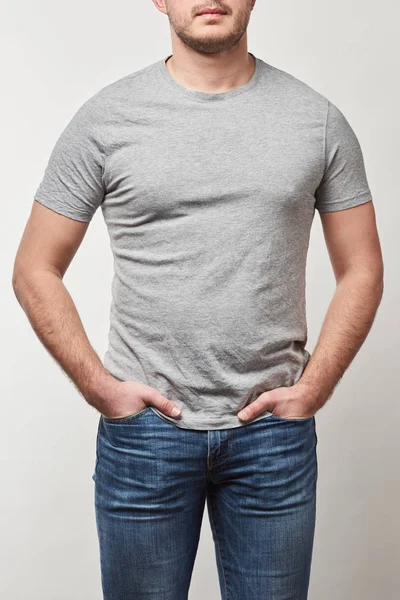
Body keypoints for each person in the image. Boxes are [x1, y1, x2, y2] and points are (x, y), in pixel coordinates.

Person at [12, 1, 384, 598]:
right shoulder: (106, 119)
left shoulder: (316, 120)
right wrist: (100, 388)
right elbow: (35, 267)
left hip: (272, 440)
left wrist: (314, 387)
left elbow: (363, 267)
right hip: (146, 438)